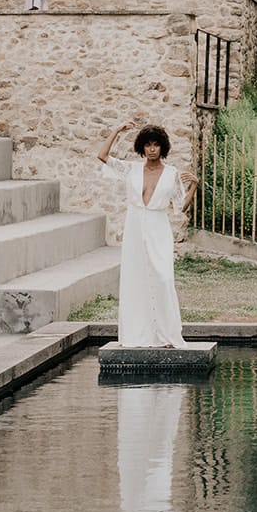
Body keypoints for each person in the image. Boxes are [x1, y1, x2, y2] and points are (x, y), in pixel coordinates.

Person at [98, 120, 198, 349]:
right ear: (142, 147)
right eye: (148, 145)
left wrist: (194, 186)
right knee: (135, 280)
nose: (152, 149)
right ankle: (138, 334)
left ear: (163, 147)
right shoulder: (131, 169)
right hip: (134, 226)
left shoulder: (172, 174)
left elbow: (180, 206)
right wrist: (117, 130)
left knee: (163, 278)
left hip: (158, 227)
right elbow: (102, 156)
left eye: (156, 145)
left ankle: (167, 335)